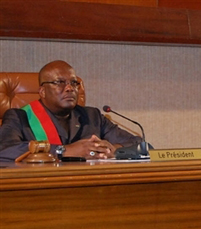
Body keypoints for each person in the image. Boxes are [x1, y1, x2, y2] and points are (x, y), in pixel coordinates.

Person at [0, 60, 142, 161]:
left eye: (74, 83)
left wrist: (112, 150)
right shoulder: (20, 117)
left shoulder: (92, 116)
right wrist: (64, 151)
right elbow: (5, 150)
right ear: (42, 91)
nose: (69, 88)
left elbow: (139, 144)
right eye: (59, 83)